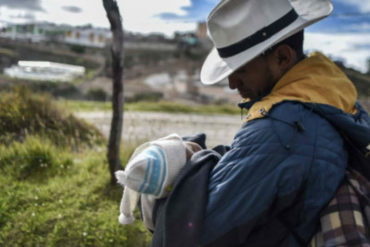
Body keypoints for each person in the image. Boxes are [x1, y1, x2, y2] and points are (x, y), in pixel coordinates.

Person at [197, 0, 370, 246]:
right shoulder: (337, 101)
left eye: (241, 70)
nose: (232, 83)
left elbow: (201, 230)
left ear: (282, 57)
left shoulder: (279, 129)